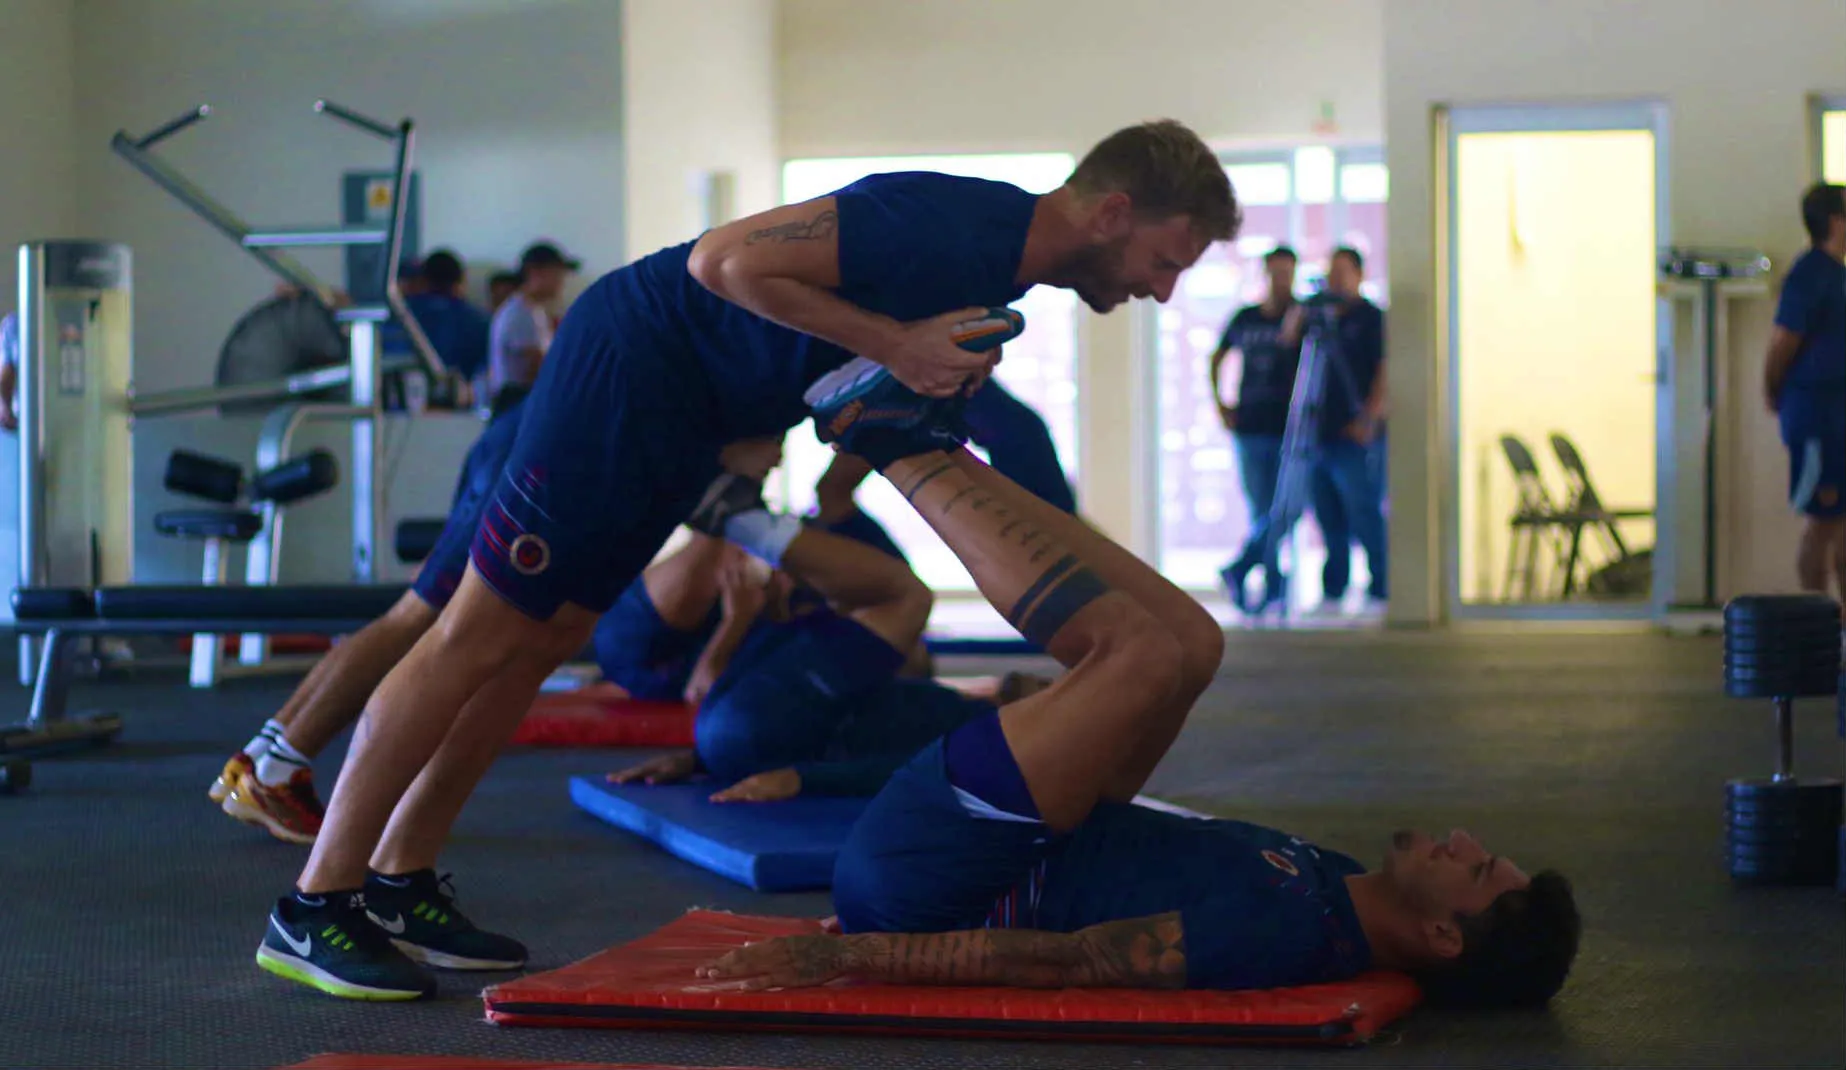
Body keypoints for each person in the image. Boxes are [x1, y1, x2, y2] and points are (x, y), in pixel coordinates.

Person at [255, 119, 1237, 1003]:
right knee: (475, 633)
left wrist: (873, 400)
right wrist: (896, 343)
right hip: (627, 371)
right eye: (1165, 260)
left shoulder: (995, 270)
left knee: (541, 643)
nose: (1160, 289)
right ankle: (315, 904)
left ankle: (400, 876)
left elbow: (844, 363)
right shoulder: (957, 219)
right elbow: (722, 261)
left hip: (691, 421)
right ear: (1113, 212)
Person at [692, 388, 1579, 1009]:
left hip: (938, 877)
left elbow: (1064, 962)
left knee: (1140, 654)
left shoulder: (1287, 938)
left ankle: (890, 442)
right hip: (1029, 842)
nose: (1465, 842)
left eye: (1474, 869)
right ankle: (938, 443)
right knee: (1192, 642)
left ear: (1444, 936)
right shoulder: (1340, 884)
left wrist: (852, 953)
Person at [213, 396, 783, 845]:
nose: (779, 458)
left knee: (419, 616)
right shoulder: (727, 388)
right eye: (778, 442)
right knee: (423, 619)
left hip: (528, 439)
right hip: (536, 454)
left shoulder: (701, 385)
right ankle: (279, 771)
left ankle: (260, 760)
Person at [610, 479, 1049, 802]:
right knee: (897, 596)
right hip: (736, 732)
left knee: (910, 596)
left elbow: (908, 771)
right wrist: (701, 759)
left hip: (752, 730)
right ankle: (734, 517)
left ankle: (735, 517)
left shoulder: (988, 740)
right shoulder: (957, 708)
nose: (1049, 687)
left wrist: (802, 780)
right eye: (1048, 684)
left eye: (1047, 687)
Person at [1764, 182, 1846, 614]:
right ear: (1835, 221)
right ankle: (1815, 621)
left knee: (1841, 525)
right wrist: (1772, 391)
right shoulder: (1809, 275)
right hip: (1816, 421)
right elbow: (1782, 344)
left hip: (1836, 418)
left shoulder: (1836, 274)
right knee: (1823, 522)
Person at [1210, 245, 1301, 615]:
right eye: (1275, 273)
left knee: (1286, 508)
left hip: (1290, 429)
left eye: (1287, 274)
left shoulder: (1303, 318)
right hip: (1250, 426)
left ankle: (1242, 567)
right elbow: (1217, 357)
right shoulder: (1245, 318)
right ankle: (1272, 582)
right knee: (1262, 508)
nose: (1281, 281)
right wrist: (1221, 403)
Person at [1305, 247, 1388, 613]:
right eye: (1331, 272)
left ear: (1359, 275)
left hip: (1357, 434)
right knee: (1328, 515)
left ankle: (1381, 585)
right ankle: (1334, 587)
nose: (1335, 280)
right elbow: (1289, 348)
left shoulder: (1372, 318)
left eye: (1342, 272)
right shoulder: (1319, 320)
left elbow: (1385, 369)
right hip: (1318, 434)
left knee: (1364, 510)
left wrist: (1370, 418)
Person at [485, 241, 579, 403]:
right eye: (557, 274)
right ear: (534, 272)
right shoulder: (519, 314)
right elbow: (536, 369)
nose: (561, 282)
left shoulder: (534, 311)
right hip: (515, 403)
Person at [402, 249, 491, 385]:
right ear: (460, 281)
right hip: (462, 392)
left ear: (423, 280)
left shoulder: (401, 315)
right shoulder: (480, 321)